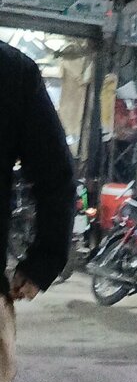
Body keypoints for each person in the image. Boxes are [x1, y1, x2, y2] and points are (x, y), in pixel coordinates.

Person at [1, 41, 75, 305]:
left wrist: (45, 259)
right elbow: (56, 173)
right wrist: (44, 261)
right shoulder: (13, 71)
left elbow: (55, 174)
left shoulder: (15, 72)